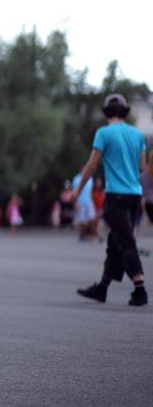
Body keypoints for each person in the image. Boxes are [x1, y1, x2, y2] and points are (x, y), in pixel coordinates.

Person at [72, 94, 147, 307]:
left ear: (107, 112)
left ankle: (140, 288)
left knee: (125, 241)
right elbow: (142, 168)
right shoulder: (137, 134)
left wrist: (77, 189)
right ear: (124, 111)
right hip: (134, 194)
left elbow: (91, 165)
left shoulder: (103, 133)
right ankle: (102, 288)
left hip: (116, 194)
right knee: (116, 241)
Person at [71, 173, 95, 242]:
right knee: (81, 220)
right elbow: (74, 190)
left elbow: (90, 191)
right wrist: (75, 202)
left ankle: (89, 233)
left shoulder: (90, 179)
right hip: (80, 201)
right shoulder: (76, 179)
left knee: (92, 217)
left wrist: (92, 201)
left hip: (89, 201)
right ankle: (82, 235)